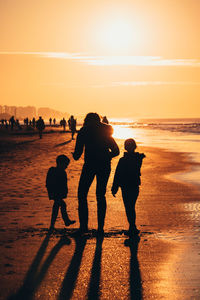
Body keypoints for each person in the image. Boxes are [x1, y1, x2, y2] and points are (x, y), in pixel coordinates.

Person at [72, 112, 119, 235]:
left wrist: (74, 155)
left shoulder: (83, 131)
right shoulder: (106, 131)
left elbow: (77, 155)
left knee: (82, 194)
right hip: (104, 165)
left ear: (87, 120)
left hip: (90, 165)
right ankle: (100, 229)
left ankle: (83, 227)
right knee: (100, 195)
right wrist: (106, 156)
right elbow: (116, 151)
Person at [111, 138, 145, 236]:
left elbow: (118, 174)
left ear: (125, 147)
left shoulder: (123, 160)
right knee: (131, 206)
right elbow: (118, 174)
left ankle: (132, 227)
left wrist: (114, 187)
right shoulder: (138, 158)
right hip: (134, 185)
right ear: (135, 147)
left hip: (126, 185)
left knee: (128, 206)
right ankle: (132, 226)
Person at [46, 154, 76, 230]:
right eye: (66, 165)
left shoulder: (54, 171)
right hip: (55, 193)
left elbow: (64, 184)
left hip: (56, 193)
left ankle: (54, 224)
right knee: (61, 205)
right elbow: (49, 182)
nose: (66, 167)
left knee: (57, 207)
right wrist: (51, 191)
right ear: (60, 163)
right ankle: (65, 221)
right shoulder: (57, 171)